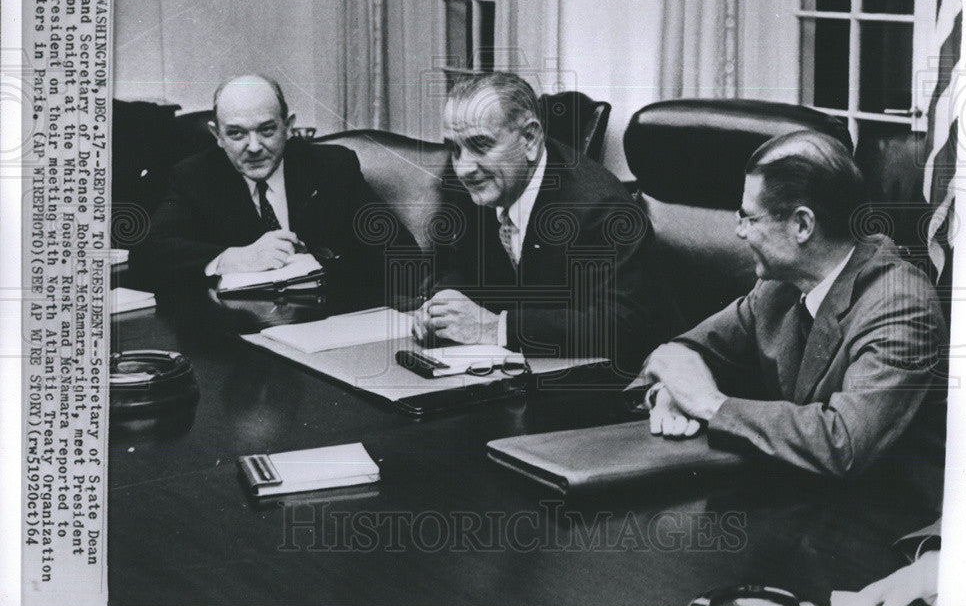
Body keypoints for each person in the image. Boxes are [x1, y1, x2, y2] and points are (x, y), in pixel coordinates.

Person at [635, 130, 947, 488]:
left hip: (883, 518)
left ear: (802, 225)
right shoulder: (777, 289)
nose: (739, 232)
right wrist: (668, 395)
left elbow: (842, 443)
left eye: (749, 218)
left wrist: (709, 404)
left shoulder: (901, 306)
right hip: (799, 498)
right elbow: (681, 351)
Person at [413, 72, 666, 374]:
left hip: (607, 385)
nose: (464, 167)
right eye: (455, 149)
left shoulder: (602, 208)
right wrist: (442, 304)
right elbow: (459, 265)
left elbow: (621, 324)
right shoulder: (475, 184)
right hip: (516, 373)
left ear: (529, 139)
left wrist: (498, 327)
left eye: (480, 145)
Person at [132, 74, 410, 302]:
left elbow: (402, 254)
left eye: (266, 130)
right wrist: (230, 258)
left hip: (324, 322)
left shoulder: (332, 167)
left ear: (288, 127)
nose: (253, 147)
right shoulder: (195, 176)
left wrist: (318, 264)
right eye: (237, 133)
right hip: (237, 336)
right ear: (217, 135)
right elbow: (146, 257)